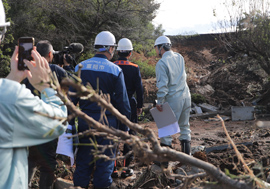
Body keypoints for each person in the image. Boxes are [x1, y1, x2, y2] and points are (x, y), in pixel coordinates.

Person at [0, 1, 67, 188]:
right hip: (38, 124)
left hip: (25, 128)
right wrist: (47, 87)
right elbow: (59, 121)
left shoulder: (7, 90)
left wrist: (13, 77)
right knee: (47, 164)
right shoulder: (9, 94)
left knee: (32, 159)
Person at [71, 31, 131, 189]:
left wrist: (70, 126)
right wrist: (124, 130)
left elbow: (71, 101)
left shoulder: (80, 66)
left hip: (85, 124)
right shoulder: (115, 70)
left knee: (83, 164)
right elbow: (123, 104)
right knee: (104, 166)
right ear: (111, 48)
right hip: (107, 126)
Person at [23, 40, 68, 189]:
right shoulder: (58, 71)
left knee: (31, 157)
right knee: (48, 161)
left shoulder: (26, 70)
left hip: (29, 122)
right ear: (50, 54)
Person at [154, 35, 191, 155]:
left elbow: (163, 86)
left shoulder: (161, 63)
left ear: (161, 48)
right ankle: (187, 160)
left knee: (166, 131)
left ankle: (165, 165)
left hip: (173, 99)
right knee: (185, 128)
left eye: (156, 48)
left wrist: (159, 102)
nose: (156, 51)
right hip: (186, 96)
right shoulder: (179, 57)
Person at [113, 38, 143, 177]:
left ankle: (112, 167)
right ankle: (126, 167)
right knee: (130, 134)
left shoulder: (112, 65)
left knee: (113, 134)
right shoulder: (134, 67)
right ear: (130, 53)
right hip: (130, 103)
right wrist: (140, 105)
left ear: (117, 51)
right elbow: (139, 89)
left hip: (114, 103)